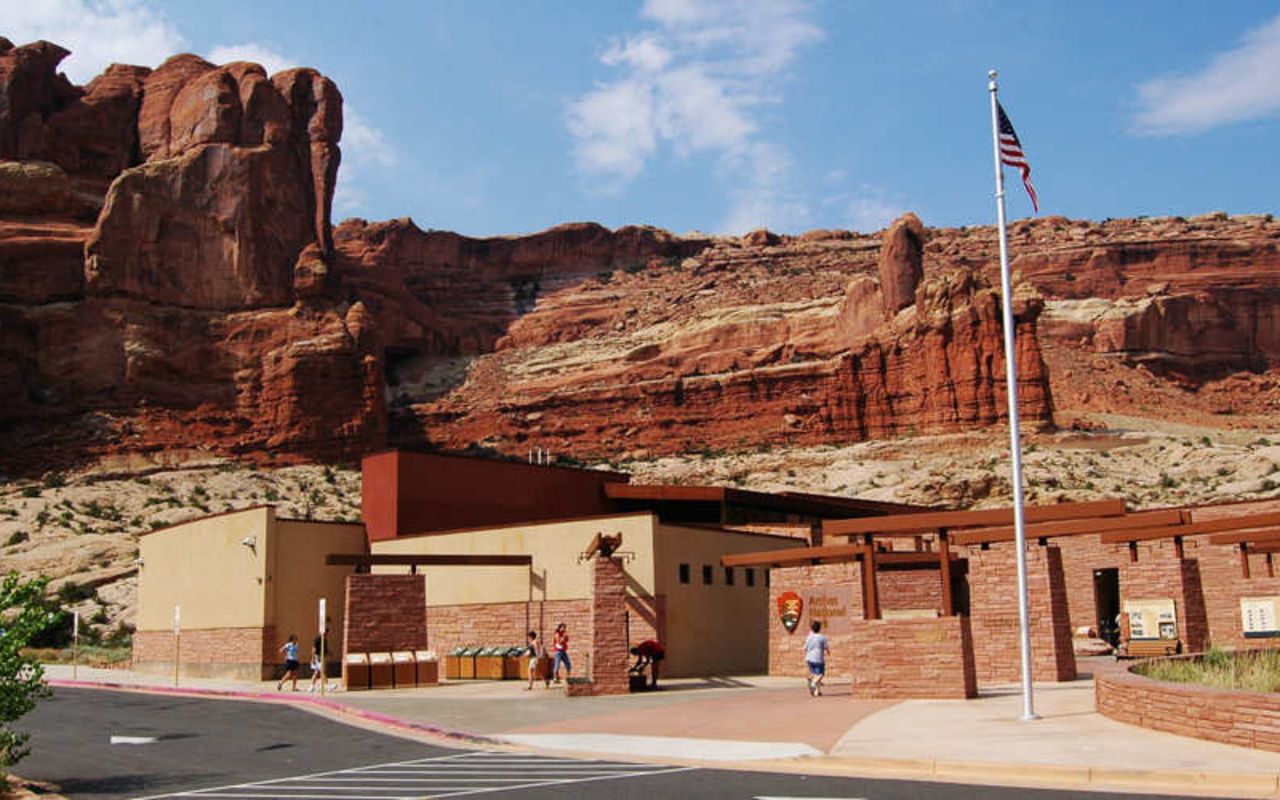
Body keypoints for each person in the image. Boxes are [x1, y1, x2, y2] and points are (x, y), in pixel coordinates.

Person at [804, 620, 830, 697]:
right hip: (818, 658)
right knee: (821, 674)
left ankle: (817, 692)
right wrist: (828, 651)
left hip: (809, 658)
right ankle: (813, 682)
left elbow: (805, 648)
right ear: (819, 628)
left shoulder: (809, 637)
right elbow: (826, 647)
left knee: (815, 674)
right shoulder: (822, 637)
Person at [308, 623, 330, 693]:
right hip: (318, 657)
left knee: (317, 672)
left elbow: (325, 649)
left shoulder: (324, 639)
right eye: (326, 632)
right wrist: (313, 658)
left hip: (322, 656)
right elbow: (314, 649)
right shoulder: (318, 639)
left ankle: (312, 686)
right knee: (321, 671)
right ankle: (327, 685)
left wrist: (329, 652)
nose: (327, 634)